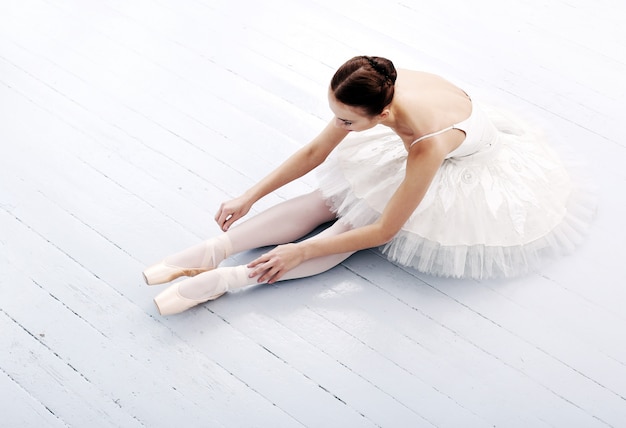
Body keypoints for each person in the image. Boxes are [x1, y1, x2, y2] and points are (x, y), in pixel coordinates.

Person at [143, 56, 594, 316]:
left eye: (346, 121)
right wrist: (249, 195)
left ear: (379, 116)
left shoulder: (426, 145)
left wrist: (303, 250)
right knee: (327, 198)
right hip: (420, 133)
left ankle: (233, 278)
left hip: (466, 161)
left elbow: (383, 233)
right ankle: (211, 251)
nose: (337, 125)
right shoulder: (376, 84)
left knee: (353, 223)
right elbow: (314, 152)